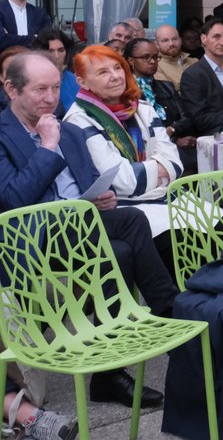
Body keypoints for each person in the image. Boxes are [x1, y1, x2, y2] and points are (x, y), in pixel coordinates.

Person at [0, 52, 177, 409]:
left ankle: (111, 373)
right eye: (40, 90)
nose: (51, 98)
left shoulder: (70, 131)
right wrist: (47, 146)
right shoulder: (12, 134)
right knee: (131, 224)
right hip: (30, 240)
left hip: (80, 229)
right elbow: (13, 201)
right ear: (11, 89)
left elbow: (83, 189)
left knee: (125, 244)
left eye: (54, 88)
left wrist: (99, 199)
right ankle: (171, 312)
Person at [64, 45, 182, 247]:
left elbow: (175, 164)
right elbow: (123, 182)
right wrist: (159, 169)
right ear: (83, 82)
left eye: (117, 68)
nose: (116, 76)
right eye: (103, 72)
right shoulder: (79, 120)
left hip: (164, 198)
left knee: (219, 224)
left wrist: (151, 172)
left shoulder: (141, 109)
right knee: (175, 240)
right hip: (125, 208)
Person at [124, 38, 196, 175]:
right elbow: (135, 129)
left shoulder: (166, 86)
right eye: (146, 57)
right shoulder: (125, 91)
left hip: (175, 142)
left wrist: (171, 130)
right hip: (147, 151)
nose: (152, 61)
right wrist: (173, 140)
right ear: (131, 61)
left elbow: (187, 118)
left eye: (155, 57)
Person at [33, 27, 79, 113]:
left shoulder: (72, 79)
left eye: (61, 50)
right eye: (50, 51)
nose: (56, 56)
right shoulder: (32, 81)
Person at [154, 24, 198, 90]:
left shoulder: (194, 61)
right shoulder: (155, 66)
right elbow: (168, 94)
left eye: (174, 39)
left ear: (180, 40)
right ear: (157, 44)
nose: (171, 43)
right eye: (165, 40)